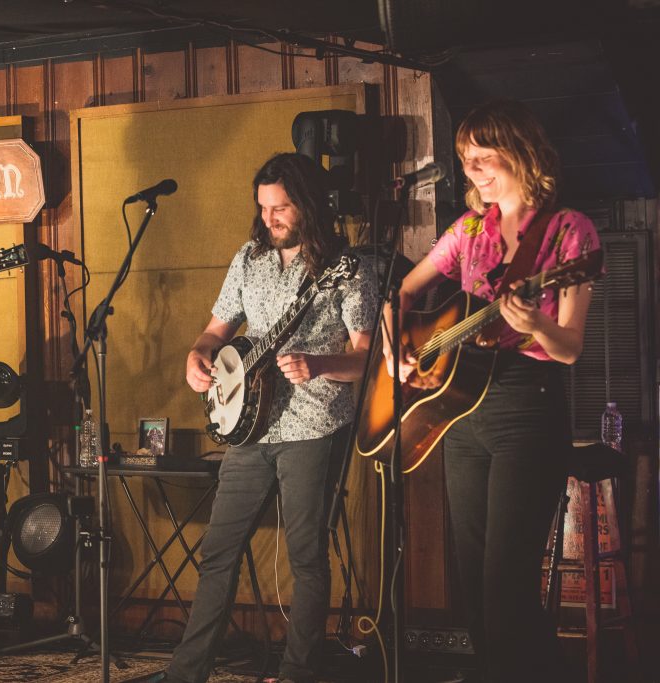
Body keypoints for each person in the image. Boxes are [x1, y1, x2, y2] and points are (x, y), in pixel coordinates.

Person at [384, 100, 600, 683]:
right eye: (464, 159)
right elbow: (399, 293)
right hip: (462, 413)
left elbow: (570, 348)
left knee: (506, 582)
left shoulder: (568, 232)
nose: (472, 170)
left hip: (528, 404)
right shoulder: (467, 232)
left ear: (522, 154)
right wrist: (396, 348)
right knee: (474, 583)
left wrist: (535, 324)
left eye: (484, 157)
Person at [153, 152, 378, 683]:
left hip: (313, 425)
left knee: (306, 557)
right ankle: (187, 674)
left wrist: (320, 363)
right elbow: (214, 332)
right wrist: (196, 357)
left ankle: (298, 673)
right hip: (248, 427)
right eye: (264, 207)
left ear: (308, 205)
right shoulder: (248, 259)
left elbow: (368, 359)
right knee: (218, 552)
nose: (271, 217)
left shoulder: (347, 268)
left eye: (281, 208)